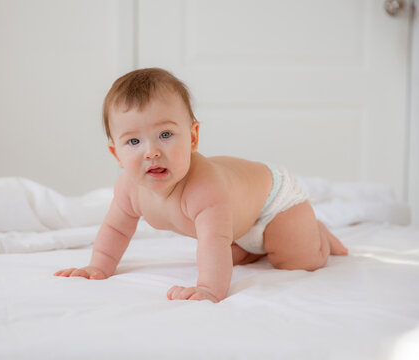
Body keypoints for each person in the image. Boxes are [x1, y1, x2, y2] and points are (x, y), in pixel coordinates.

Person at [54, 68, 348, 302]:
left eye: (166, 135)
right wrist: (98, 267)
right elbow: (116, 230)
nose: (151, 151)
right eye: (133, 141)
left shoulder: (204, 188)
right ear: (116, 153)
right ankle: (260, 246)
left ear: (193, 137)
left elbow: (213, 242)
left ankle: (317, 235)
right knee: (230, 253)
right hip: (237, 226)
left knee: (296, 259)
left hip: (272, 203)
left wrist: (209, 288)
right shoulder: (129, 190)